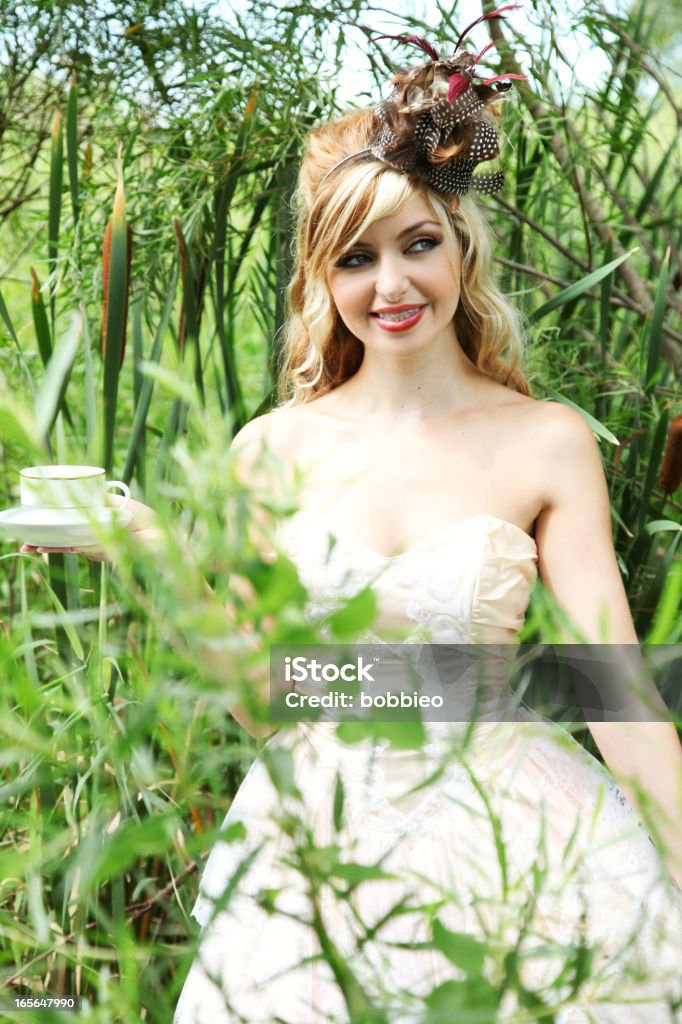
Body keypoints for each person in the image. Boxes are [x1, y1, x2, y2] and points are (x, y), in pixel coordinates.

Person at [25, 19, 682, 1024]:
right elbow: (266, 700)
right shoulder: (268, 452)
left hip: (514, 838)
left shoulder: (546, 441)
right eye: (356, 258)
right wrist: (147, 554)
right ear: (320, 280)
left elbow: (615, 693)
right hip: (313, 849)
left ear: (459, 244)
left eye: (418, 243)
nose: (391, 285)